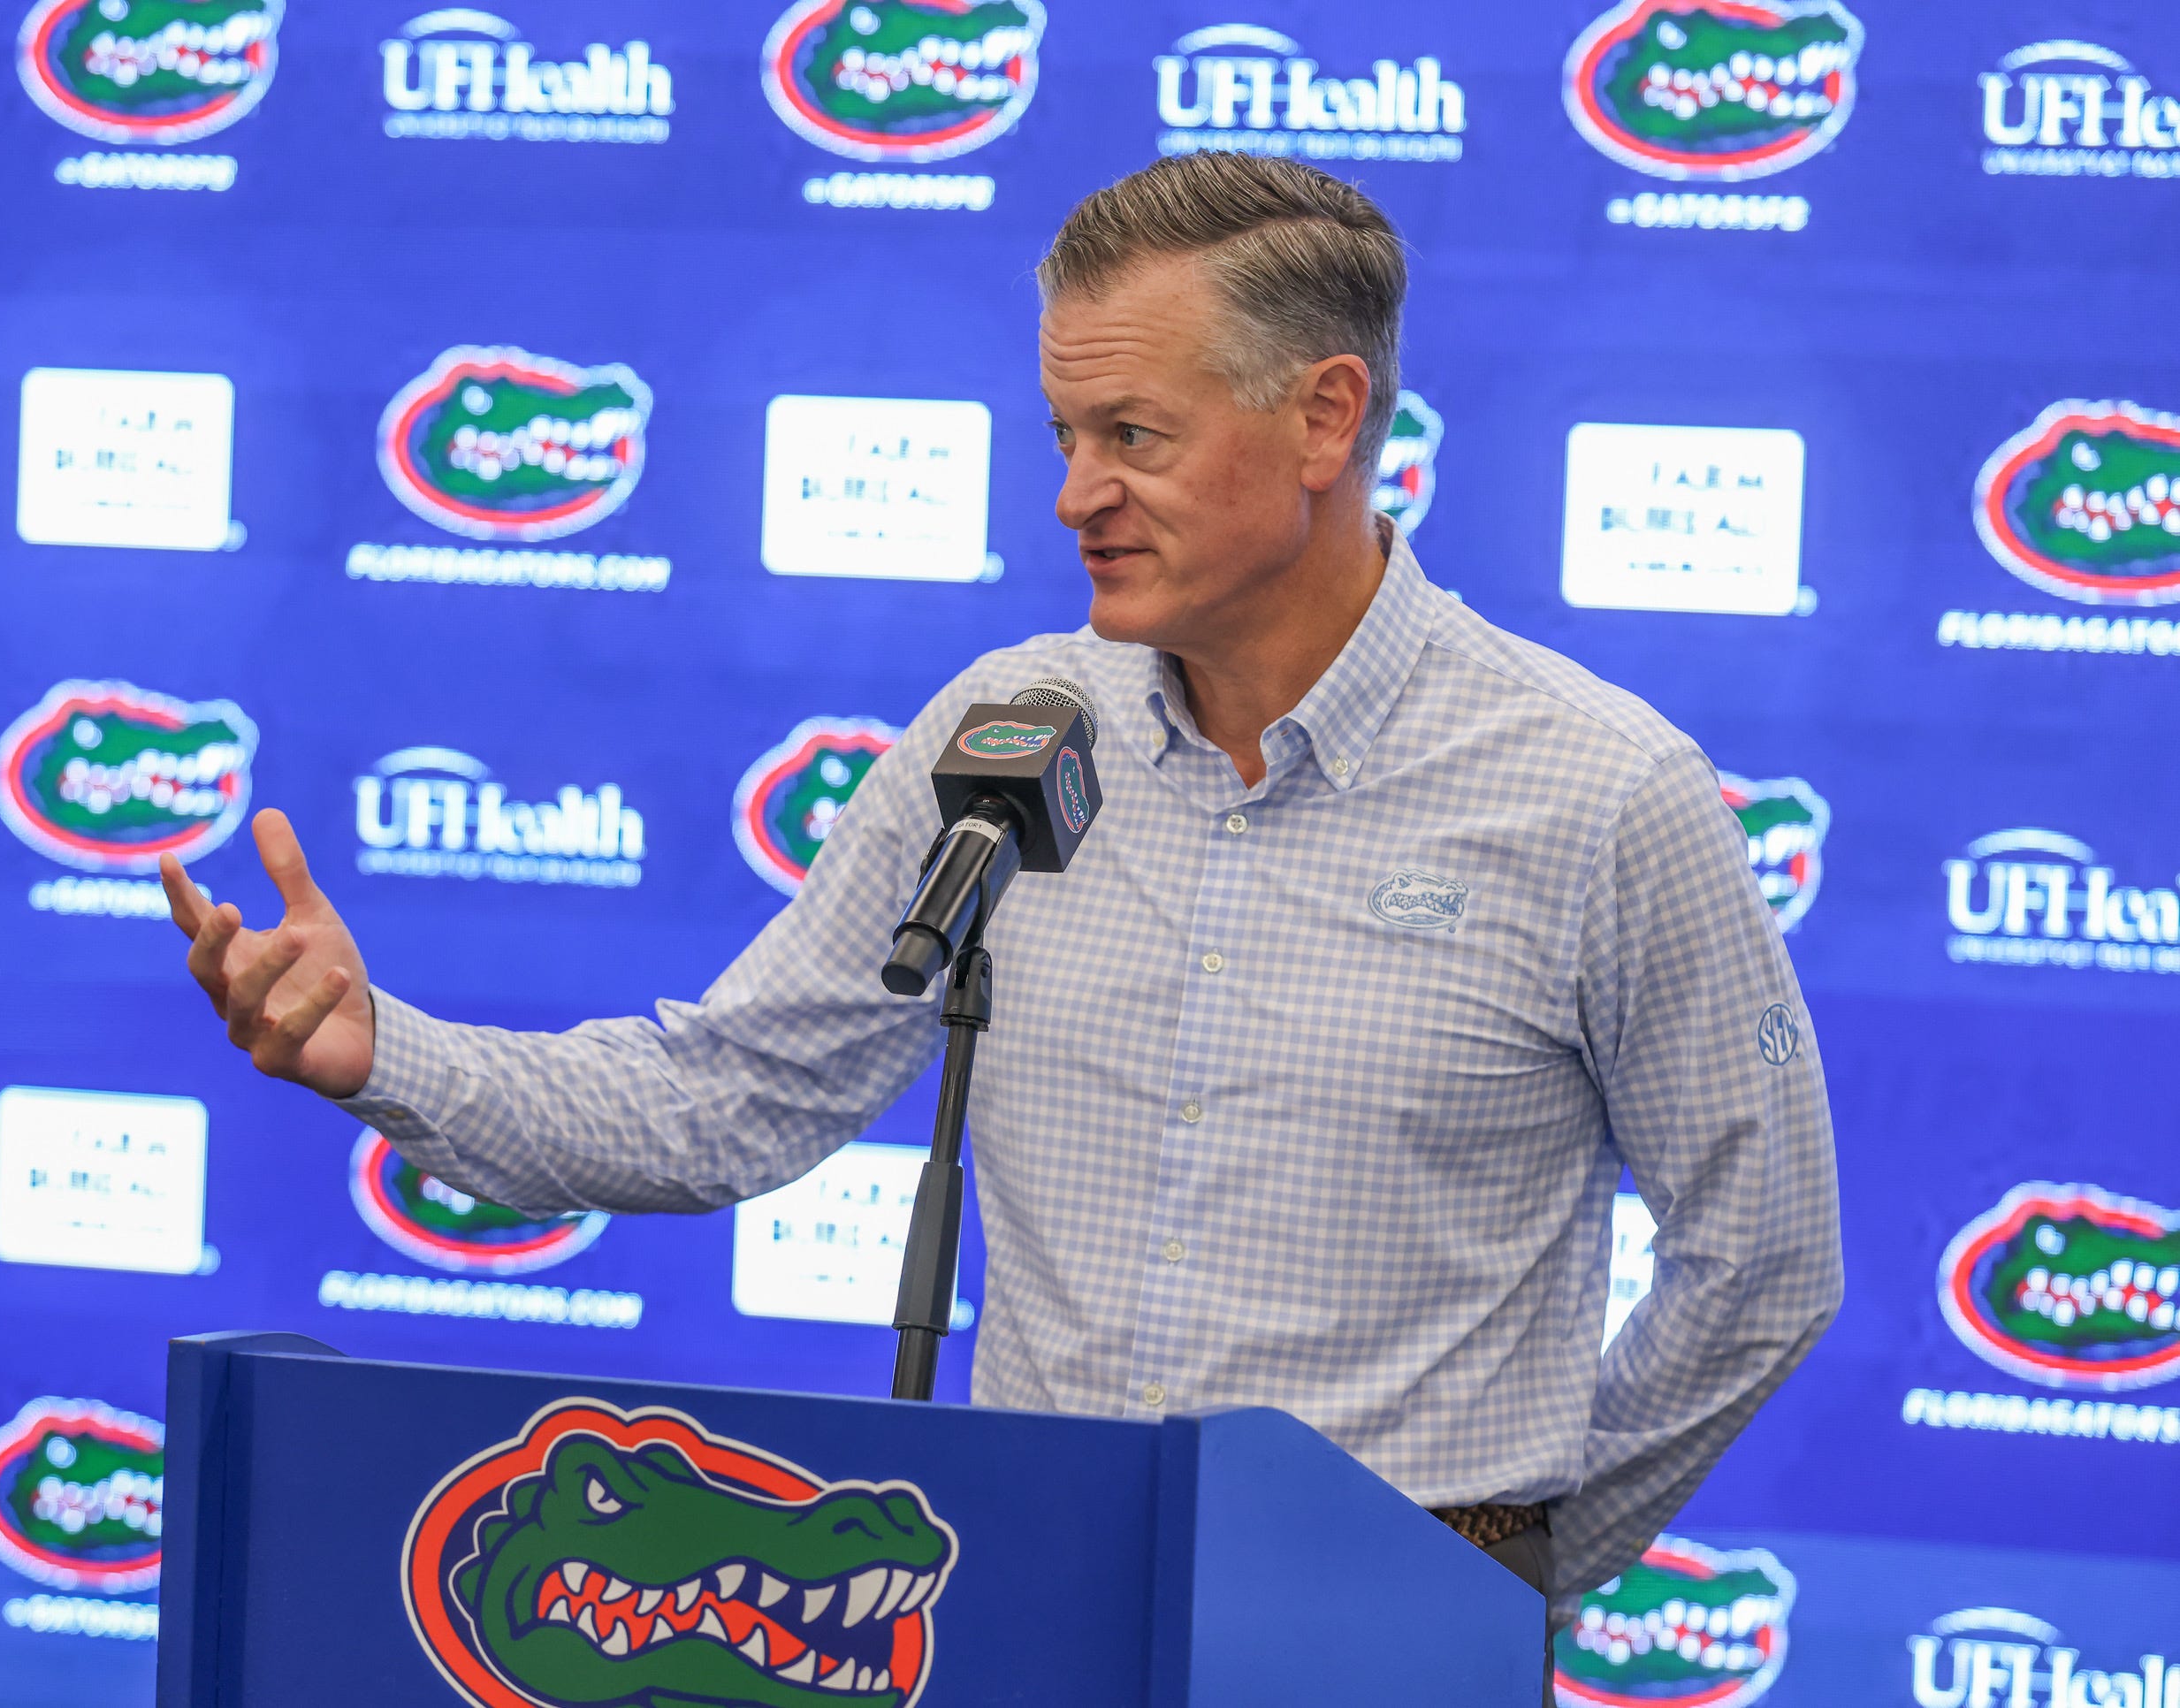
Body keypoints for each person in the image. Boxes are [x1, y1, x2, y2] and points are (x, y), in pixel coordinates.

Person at [164, 153, 1841, 1675]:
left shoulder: (1596, 793)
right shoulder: (1010, 734)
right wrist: (388, 1056)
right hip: (1019, 1615)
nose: (1074, 495)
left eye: (1135, 437)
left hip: (1373, 1648)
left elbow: (1763, 1260)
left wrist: (1497, 1564)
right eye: (1064, 437)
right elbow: (724, 1097)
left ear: (1327, 419)